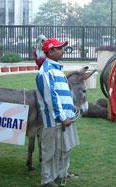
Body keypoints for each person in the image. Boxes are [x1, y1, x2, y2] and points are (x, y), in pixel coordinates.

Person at [36, 38, 80, 187]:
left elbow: (62, 94)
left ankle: (61, 173)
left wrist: (71, 107)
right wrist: (62, 117)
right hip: (53, 120)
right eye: (59, 48)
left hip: (66, 117)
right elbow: (51, 98)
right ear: (50, 51)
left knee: (65, 147)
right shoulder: (45, 72)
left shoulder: (57, 70)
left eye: (62, 47)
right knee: (50, 150)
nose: (62, 50)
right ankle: (47, 180)